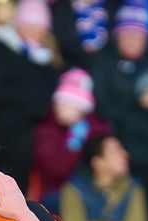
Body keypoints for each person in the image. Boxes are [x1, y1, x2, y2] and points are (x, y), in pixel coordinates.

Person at [0, 0, 59, 191]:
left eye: (39, 26)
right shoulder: (2, 52)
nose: (34, 31)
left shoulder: (48, 60)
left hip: (33, 136)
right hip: (2, 133)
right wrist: (23, 100)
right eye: (29, 25)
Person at [91, 2, 148, 133]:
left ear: (146, 38)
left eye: (138, 36)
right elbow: (102, 105)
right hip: (119, 129)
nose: (132, 40)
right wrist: (139, 101)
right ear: (117, 37)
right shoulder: (104, 61)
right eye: (127, 35)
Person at [32, 68, 111, 210]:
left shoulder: (97, 130)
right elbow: (54, 170)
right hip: (56, 191)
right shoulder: (47, 131)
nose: (60, 108)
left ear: (82, 108)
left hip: (93, 187)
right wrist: (72, 144)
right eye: (59, 102)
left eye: (69, 103)